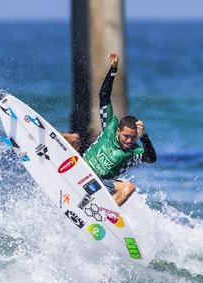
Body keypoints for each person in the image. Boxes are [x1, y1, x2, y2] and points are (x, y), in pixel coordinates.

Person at [64, 53, 157, 207]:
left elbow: (151, 158)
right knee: (74, 138)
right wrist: (113, 70)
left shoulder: (133, 153)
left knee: (129, 187)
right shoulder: (110, 125)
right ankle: (39, 140)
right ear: (118, 131)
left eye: (133, 138)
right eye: (126, 136)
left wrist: (144, 137)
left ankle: (104, 213)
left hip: (99, 186)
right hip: (80, 169)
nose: (129, 141)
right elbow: (104, 95)